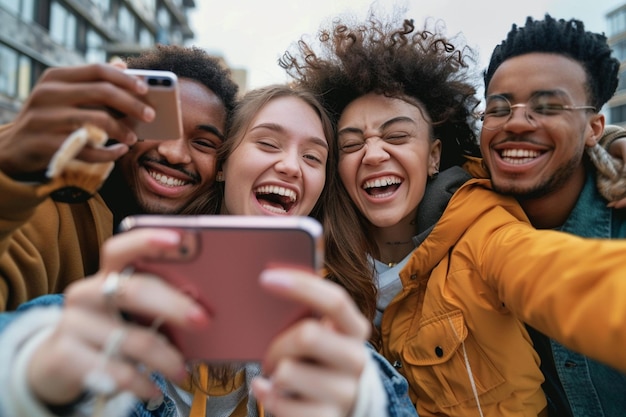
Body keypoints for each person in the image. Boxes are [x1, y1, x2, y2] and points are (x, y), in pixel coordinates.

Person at [282, 14, 626, 417]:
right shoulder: (309, 252)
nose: (373, 154)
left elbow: (564, 277)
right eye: (352, 144)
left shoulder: (484, 229)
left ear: (433, 156)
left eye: (396, 136)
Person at [0, 84, 417, 417]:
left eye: (312, 157)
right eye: (268, 144)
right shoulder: (122, 308)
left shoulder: (331, 340)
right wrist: (29, 371)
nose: (291, 166)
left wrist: (359, 402)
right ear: (222, 165)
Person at [0, 44, 239, 311]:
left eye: (204, 143)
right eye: (160, 126)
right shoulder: (52, 204)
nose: (173, 153)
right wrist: (9, 166)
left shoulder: (228, 240)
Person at [480, 14, 626, 417]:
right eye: (498, 108)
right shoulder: (462, 224)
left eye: (548, 106)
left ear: (594, 127)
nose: (517, 123)